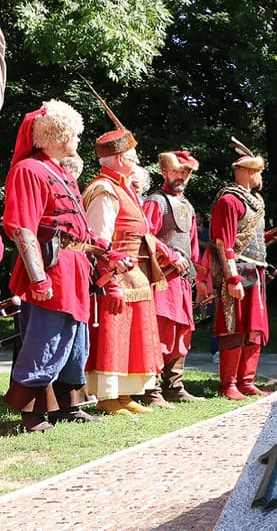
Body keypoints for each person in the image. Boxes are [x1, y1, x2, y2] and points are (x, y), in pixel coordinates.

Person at [2, 100, 127, 431]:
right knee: (45, 339)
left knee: (75, 341)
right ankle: (30, 414)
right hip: (50, 265)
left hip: (75, 266)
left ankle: (67, 406)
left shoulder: (63, 173)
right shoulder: (28, 170)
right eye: (73, 131)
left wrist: (105, 253)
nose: (77, 137)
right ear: (55, 133)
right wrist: (38, 278)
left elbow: (79, 228)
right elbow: (22, 226)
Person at [83, 127, 188, 414]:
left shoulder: (124, 187)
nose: (137, 160)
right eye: (132, 156)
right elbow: (97, 238)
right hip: (115, 276)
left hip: (135, 275)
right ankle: (107, 397)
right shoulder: (104, 189)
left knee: (133, 337)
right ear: (118, 159)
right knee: (113, 335)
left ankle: (124, 395)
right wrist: (109, 276)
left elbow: (143, 233)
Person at [209, 143, 277, 400]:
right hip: (239, 271)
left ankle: (246, 380)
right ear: (248, 172)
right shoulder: (229, 200)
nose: (261, 177)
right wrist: (232, 278)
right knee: (235, 328)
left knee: (254, 328)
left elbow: (256, 241)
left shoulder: (255, 201)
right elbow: (224, 242)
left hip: (257, 270)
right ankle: (229, 384)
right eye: (259, 172)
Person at [143, 150, 205, 403]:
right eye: (177, 171)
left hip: (182, 280)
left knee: (181, 332)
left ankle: (174, 386)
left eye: (186, 172)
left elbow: (193, 248)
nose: (181, 176)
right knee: (160, 332)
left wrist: (199, 279)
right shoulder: (155, 202)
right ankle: (151, 389)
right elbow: (145, 237)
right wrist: (169, 256)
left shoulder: (187, 205)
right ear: (165, 172)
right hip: (161, 278)